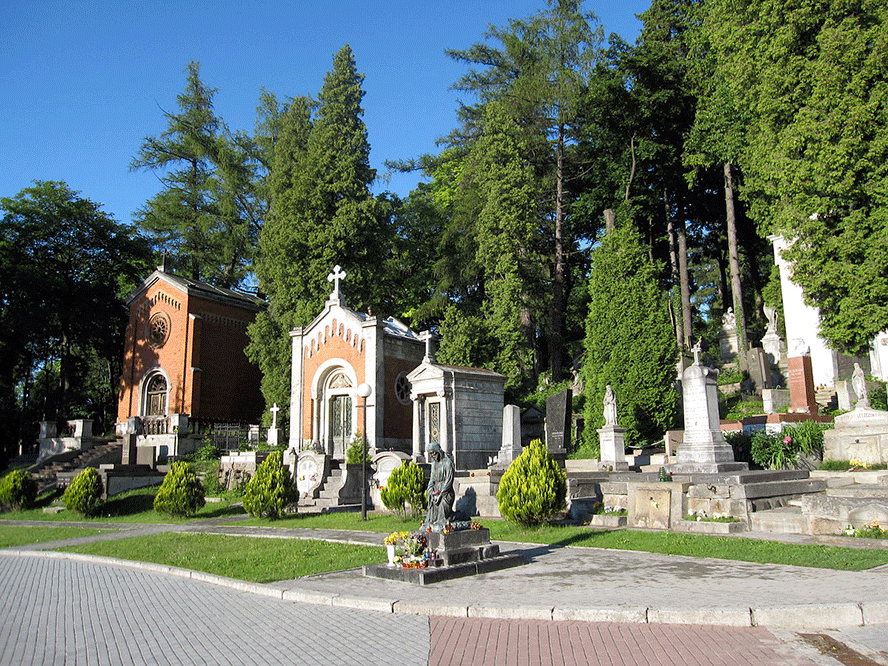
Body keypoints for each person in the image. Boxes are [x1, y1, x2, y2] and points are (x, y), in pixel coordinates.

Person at [424, 441, 455, 532]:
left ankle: (446, 520)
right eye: (430, 454)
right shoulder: (434, 464)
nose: (432, 456)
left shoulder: (448, 463)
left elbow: (448, 482)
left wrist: (440, 495)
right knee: (431, 514)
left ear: (438, 451)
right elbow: (431, 480)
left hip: (446, 493)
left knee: (441, 508)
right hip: (435, 491)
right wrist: (430, 492)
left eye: (433, 453)